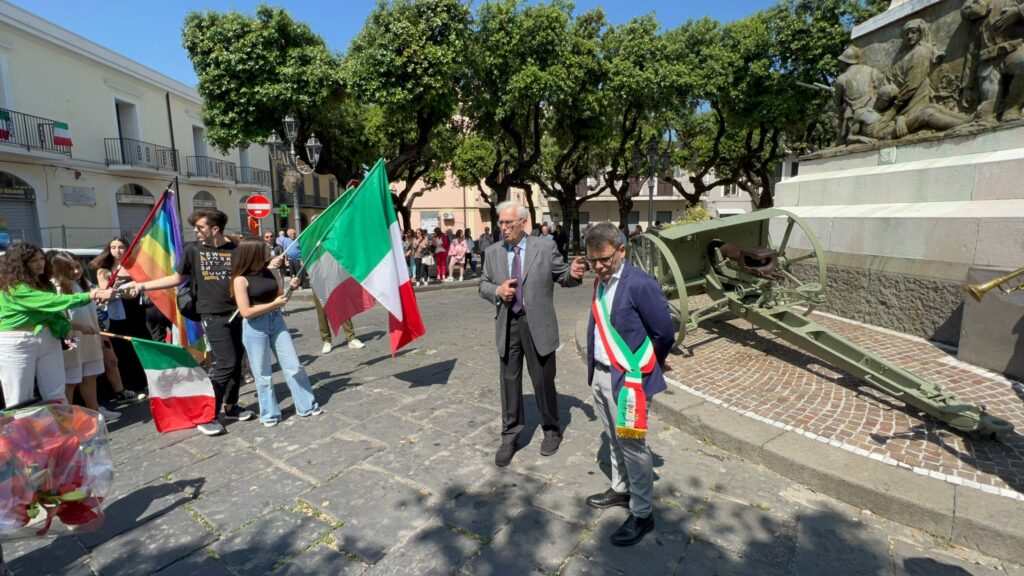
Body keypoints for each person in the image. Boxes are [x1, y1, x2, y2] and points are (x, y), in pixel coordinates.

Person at [583, 222, 674, 547]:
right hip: (602, 376)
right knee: (612, 436)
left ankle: (642, 513)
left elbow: (664, 332)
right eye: (593, 260)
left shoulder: (640, 284)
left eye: (605, 259)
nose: (599, 266)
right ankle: (622, 490)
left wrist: (651, 363)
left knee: (632, 445)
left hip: (629, 381)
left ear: (622, 250)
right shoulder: (600, 281)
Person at [126, 208, 255, 436]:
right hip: (212, 314)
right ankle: (207, 415)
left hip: (236, 313)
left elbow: (248, 275)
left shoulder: (236, 249)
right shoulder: (193, 250)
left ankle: (231, 405)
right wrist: (143, 285)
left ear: (215, 229)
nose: (196, 230)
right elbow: (177, 278)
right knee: (226, 362)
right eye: (195, 227)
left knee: (236, 361)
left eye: (200, 227)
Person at [479, 200, 587, 467]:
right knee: (509, 381)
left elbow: (563, 276)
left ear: (523, 223)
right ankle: (510, 435)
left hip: (538, 325)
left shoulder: (545, 246)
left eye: (508, 223)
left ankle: (551, 429)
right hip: (508, 325)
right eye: (500, 223)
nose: (502, 228)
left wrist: (573, 274)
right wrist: (497, 291)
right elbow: (482, 284)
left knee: (543, 381)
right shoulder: (492, 252)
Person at [0, 244, 113, 407]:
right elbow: (52, 302)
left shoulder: (46, 285)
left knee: (56, 392)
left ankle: (62, 430)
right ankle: (22, 432)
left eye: (41, 259)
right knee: (19, 397)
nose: (40, 263)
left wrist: (66, 329)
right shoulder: (11, 288)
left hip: (48, 337)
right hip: (17, 342)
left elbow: (52, 314)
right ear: (20, 265)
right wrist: (91, 295)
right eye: (33, 261)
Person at [231, 237, 322, 426]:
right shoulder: (240, 280)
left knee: (294, 365)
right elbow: (246, 312)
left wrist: (292, 288)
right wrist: (274, 304)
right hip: (255, 326)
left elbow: (281, 298)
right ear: (252, 254)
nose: (268, 253)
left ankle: (306, 405)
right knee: (262, 373)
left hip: (276, 321)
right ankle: (270, 414)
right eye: (264, 250)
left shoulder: (271, 272)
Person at [50, 251, 121, 422]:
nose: (76, 271)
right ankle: (65, 419)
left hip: (91, 336)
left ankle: (95, 412)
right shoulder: (56, 288)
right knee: (71, 380)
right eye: (70, 268)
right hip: (73, 339)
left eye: (77, 266)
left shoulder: (84, 283)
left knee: (90, 376)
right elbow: (59, 318)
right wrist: (78, 327)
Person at [91, 237, 150, 393]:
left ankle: (145, 380)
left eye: (121, 247)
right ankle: (129, 384)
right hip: (117, 313)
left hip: (136, 310)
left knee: (141, 342)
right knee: (123, 347)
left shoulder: (134, 267)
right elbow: (106, 292)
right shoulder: (104, 270)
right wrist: (119, 289)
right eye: (113, 247)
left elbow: (140, 287)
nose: (117, 250)